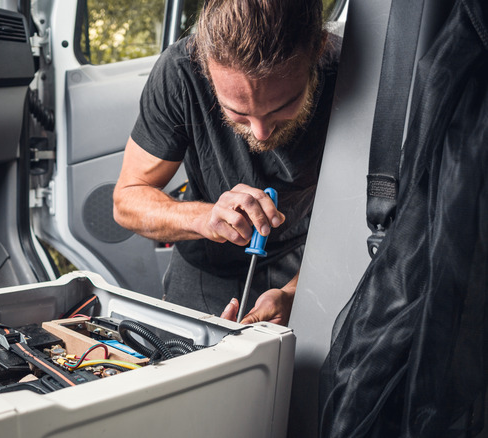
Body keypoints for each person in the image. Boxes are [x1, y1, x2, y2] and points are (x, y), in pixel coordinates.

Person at [113, 0, 340, 325]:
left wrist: (294, 293)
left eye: (282, 106)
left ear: (318, 48)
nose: (261, 134)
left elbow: (366, 222)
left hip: (308, 258)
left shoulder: (351, 78)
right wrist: (204, 217)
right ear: (204, 64)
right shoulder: (180, 71)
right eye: (239, 113)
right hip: (203, 262)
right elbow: (127, 199)